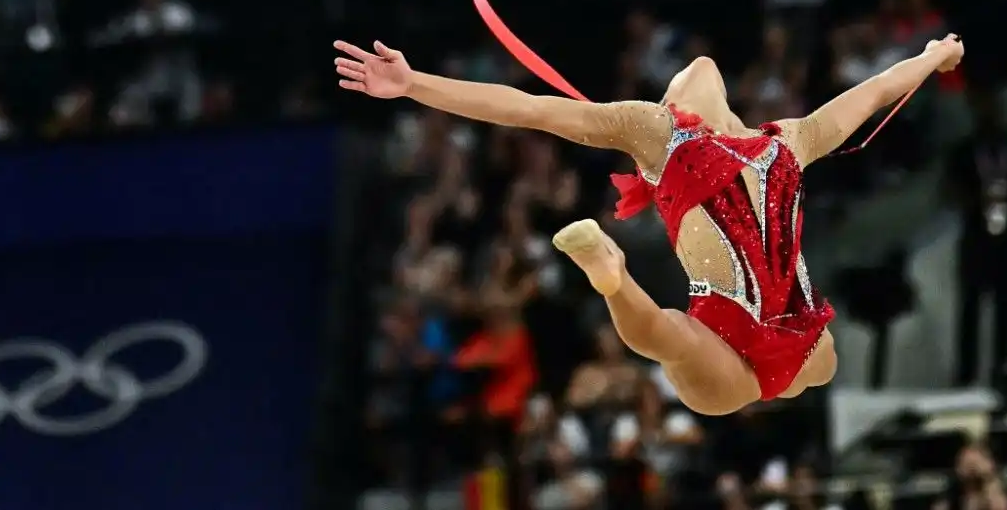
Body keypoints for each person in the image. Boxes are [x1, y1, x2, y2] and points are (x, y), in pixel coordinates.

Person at [333, 32, 965, 415]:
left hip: (803, 343)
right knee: (669, 336)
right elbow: (532, 110)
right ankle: (613, 278)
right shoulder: (659, 133)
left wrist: (932, 57)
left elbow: (876, 90)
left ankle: (618, 283)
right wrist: (415, 85)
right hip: (724, 344)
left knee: (823, 356)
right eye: (673, 83)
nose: (691, 70)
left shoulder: (790, 139)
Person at [943, 84, 1007, 385]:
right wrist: (977, 199)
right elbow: (949, 193)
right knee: (970, 307)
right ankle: (966, 377)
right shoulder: (962, 151)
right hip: (976, 237)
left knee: (1006, 308)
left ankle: (1003, 374)